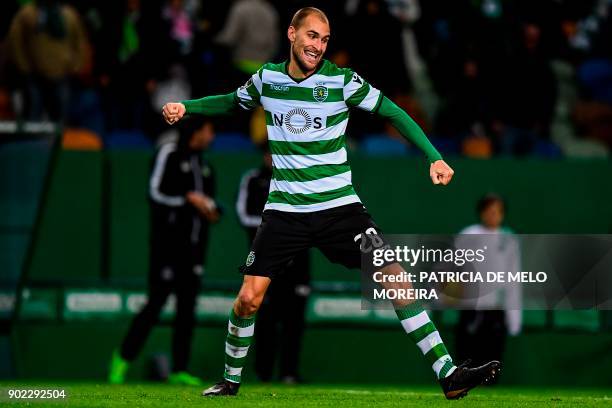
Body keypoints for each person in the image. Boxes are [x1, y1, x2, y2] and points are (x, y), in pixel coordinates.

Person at [162, 7, 500, 399]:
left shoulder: (342, 82)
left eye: (324, 40)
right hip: (285, 212)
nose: (317, 46)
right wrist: (188, 107)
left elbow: (392, 110)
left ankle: (449, 374)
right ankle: (230, 381)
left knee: (396, 277)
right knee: (248, 300)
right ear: (292, 34)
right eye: (311, 36)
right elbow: (230, 101)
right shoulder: (267, 79)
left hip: (342, 211)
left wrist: (434, 155)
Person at [108, 117, 220, 386]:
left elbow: (210, 205)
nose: (212, 136)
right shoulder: (169, 154)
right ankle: (122, 359)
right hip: (167, 248)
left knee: (186, 310)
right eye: (209, 130)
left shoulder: (205, 166)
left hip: (194, 252)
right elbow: (155, 192)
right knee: (155, 304)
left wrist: (212, 210)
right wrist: (187, 199)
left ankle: (179, 369)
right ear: (197, 131)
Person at [236, 146, 310, 384]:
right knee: (265, 319)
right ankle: (263, 373)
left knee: (294, 322)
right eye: (269, 153)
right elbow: (243, 215)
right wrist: (276, 227)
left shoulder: (299, 178)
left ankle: (289, 373)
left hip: (296, 264)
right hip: (264, 263)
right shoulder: (253, 179)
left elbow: (311, 219)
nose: (273, 157)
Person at [454, 194, 521, 379]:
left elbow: (512, 280)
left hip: (495, 309)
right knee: (467, 353)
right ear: (482, 212)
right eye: (489, 211)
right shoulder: (468, 235)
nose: (493, 215)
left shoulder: (509, 239)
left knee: (492, 354)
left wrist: (514, 317)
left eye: (497, 211)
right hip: (471, 308)